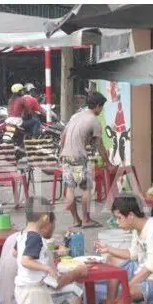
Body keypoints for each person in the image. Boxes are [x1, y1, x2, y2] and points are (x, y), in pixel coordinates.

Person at [2, 198, 88, 304]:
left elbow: (14, 253)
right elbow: (25, 260)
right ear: (46, 218)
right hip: (31, 290)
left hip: (34, 288)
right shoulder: (35, 237)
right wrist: (46, 267)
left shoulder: (23, 234)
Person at [58, 92, 110, 229]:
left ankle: (76, 220)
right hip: (79, 157)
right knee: (86, 188)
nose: (101, 110)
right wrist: (108, 163)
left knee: (70, 188)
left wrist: (61, 153)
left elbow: (63, 136)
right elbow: (100, 146)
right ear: (98, 106)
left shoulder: (76, 115)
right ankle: (86, 220)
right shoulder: (94, 120)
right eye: (102, 107)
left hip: (65, 156)